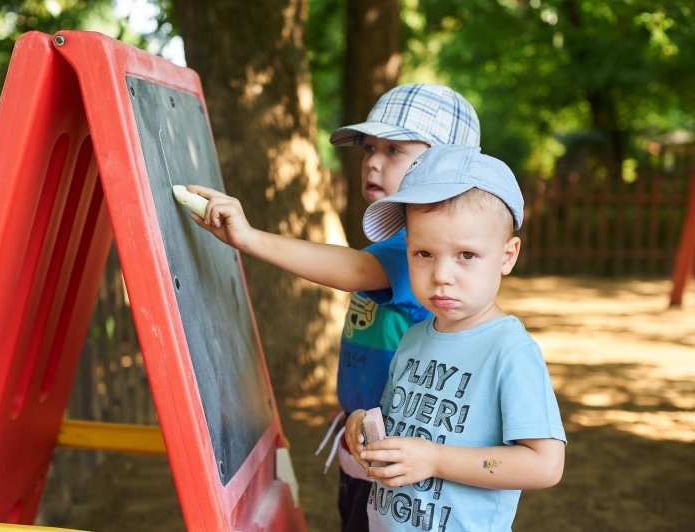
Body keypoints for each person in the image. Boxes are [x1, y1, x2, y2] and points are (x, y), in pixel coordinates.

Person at [186, 83, 480, 531]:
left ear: (446, 166)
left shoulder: (419, 251)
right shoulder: (396, 242)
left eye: (395, 150)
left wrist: (249, 238)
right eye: (370, 149)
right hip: (365, 441)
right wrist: (354, 402)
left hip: (398, 464)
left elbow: (355, 270)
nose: (373, 162)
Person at [344, 144, 567, 531]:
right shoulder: (413, 339)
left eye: (466, 255)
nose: (441, 275)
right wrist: (364, 424)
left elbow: (545, 464)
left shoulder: (510, 352)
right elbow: (403, 429)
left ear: (507, 256)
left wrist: (436, 460)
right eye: (424, 253)